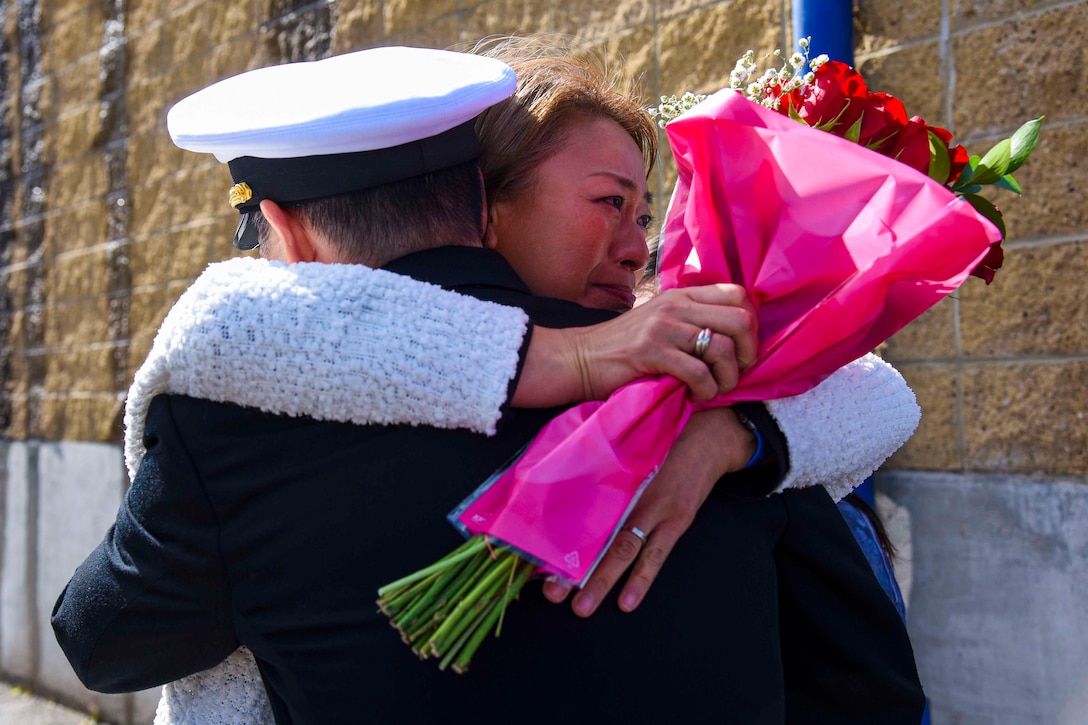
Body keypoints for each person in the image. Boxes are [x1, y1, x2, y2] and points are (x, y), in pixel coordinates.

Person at [52, 46, 924, 724]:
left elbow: (106, 641)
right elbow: (866, 684)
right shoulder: (717, 390)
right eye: (606, 202)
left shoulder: (235, 420)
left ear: (285, 231)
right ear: (482, 209)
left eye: (642, 209)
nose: (637, 242)